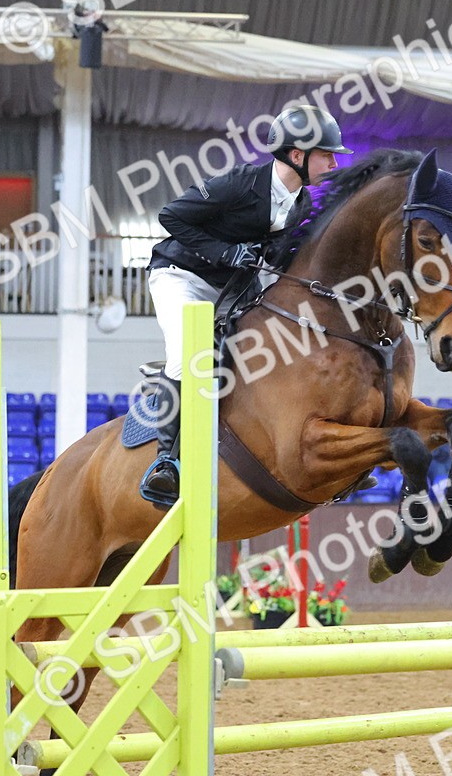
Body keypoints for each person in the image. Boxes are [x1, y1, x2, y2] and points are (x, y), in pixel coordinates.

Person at [140, 105, 352, 505]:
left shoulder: (301, 205)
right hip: (182, 277)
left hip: (234, 289)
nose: (334, 163)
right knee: (188, 358)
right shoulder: (239, 184)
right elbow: (172, 217)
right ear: (297, 155)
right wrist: (224, 252)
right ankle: (165, 462)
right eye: (327, 154)